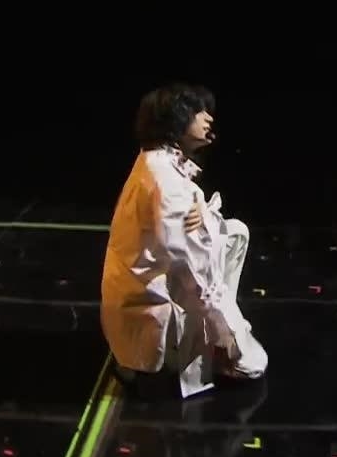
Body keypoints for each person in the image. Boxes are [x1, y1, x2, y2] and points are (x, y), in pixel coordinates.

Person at [101, 83, 268, 398]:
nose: (208, 119)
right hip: (154, 307)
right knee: (253, 365)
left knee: (235, 232)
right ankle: (175, 359)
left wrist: (201, 210)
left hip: (145, 291)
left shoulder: (155, 161)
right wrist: (225, 331)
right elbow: (191, 270)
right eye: (197, 112)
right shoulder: (165, 180)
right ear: (173, 121)